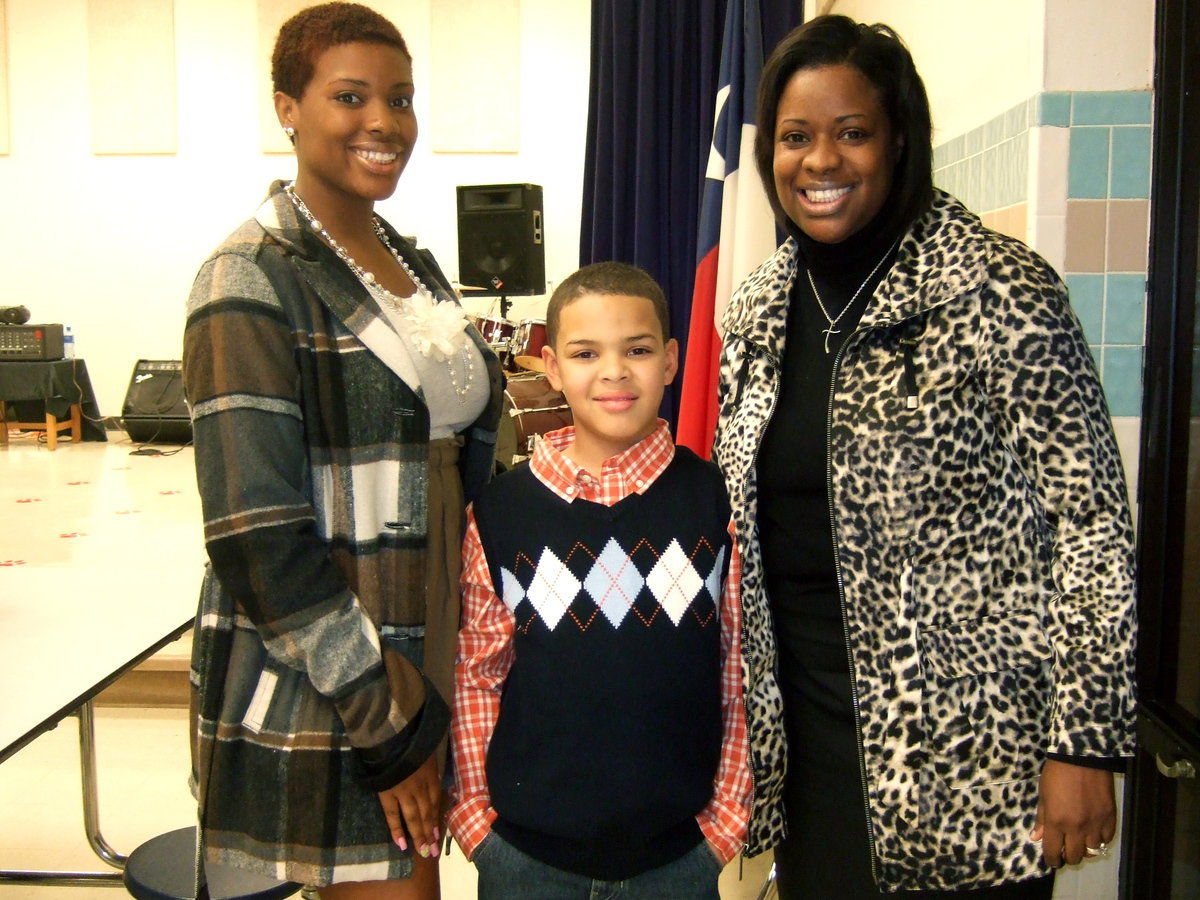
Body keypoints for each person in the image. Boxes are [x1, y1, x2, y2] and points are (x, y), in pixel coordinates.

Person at [712, 14, 1138, 899]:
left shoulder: (999, 291)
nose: (819, 161)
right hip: (810, 742)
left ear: (899, 140)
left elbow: (1091, 524)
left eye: (851, 132)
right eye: (796, 137)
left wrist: (1083, 742)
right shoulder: (756, 311)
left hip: (976, 761)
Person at [182, 4, 503, 897]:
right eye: (350, 96)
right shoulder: (248, 275)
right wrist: (384, 712)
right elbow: (257, 537)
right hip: (342, 650)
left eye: (400, 99)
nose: (384, 122)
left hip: (434, 610)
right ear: (288, 106)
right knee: (396, 884)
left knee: (420, 874)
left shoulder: (409, 259)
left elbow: (441, 432)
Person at [448, 262, 753, 899]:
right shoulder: (501, 513)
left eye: (637, 350)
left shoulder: (716, 503)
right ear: (553, 368)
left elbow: (740, 670)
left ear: (671, 361)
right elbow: (478, 672)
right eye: (586, 353)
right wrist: (476, 822)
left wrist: (724, 823)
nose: (614, 371)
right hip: (525, 859)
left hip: (677, 858)